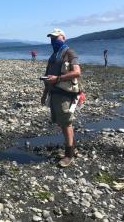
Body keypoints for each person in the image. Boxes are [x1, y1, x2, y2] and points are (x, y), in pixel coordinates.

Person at [41, 29, 81, 168]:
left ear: (63, 38)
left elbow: (77, 72)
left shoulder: (69, 53)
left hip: (66, 95)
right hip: (55, 94)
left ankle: (69, 155)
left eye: (56, 38)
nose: (53, 40)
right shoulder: (53, 56)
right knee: (62, 123)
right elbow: (48, 77)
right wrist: (45, 93)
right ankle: (71, 149)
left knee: (66, 124)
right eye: (51, 38)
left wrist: (58, 78)